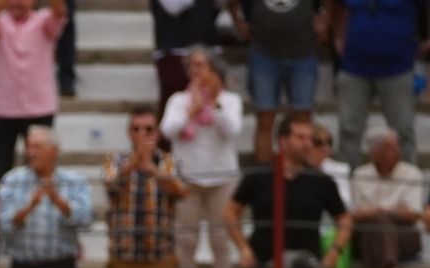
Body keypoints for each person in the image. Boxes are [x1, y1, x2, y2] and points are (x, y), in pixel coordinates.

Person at [0, 0, 68, 261]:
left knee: (42, 172)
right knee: (0, 172)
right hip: (4, 107)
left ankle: (49, 233)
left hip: (39, 106)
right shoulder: (0, 22)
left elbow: (60, 12)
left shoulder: (43, 20)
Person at [225, 115, 352, 268]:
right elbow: (230, 211)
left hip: (307, 265)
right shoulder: (258, 175)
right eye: (300, 137)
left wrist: (334, 252)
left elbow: (344, 219)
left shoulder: (321, 180)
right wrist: (243, 248)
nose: (307, 143)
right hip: (262, 264)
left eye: (309, 138)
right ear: (283, 141)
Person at [161, 48, 242, 268]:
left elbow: (232, 130)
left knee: (220, 236)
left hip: (222, 176)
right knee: (186, 238)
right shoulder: (178, 100)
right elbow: (167, 131)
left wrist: (214, 103)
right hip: (187, 177)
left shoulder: (230, 100)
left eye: (201, 65)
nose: (196, 70)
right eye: (192, 65)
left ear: (214, 70)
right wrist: (191, 111)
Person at [226, 0, 322, 162]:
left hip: (303, 51)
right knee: (265, 118)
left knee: (303, 120)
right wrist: (238, 21)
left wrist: (325, 19)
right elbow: (231, 2)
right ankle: (265, 179)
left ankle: (301, 177)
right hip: (263, 52)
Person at [327, 0, 420, 166]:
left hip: (398, 68)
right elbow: (337, 7)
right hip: (353, 67)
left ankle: (409, 185)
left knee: (403, 131)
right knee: (349, 131)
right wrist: (338, 36)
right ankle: (345, 188)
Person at [0, 125, 92, 268]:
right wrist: (29, 207)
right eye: (29, 147)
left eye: (37, 147)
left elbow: (86, 220)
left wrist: (58, 201)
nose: (31, 153)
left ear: (54, 151)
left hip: (63, 266)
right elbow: (3, 224)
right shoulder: (12, 180)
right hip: (22, 267)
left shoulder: (74, 180)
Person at [103, 106, 185, 268]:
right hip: (123, 255)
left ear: (157, 133)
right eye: (136, 129)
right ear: (129, 132)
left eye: (148, 129)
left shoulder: (169, 161)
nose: (142, 134)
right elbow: (111, 185)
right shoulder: (114, 160)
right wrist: (134, 163)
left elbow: (180, 192)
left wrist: (152, 170)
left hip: (161, 255)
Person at [350, 128, 425, 268]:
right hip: (366, 235)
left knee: (379, 220)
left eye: (397, 147)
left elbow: (413, 215)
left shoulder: (412, 173)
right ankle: (389, 267)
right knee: (377, 224)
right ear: (374, 152)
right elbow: (354, 215)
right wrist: (393, 210)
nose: (396, 151)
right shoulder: (360, 174)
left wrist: (377, 211)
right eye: (389, 148)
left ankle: (386, 266)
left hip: (404, 235)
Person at [151, 0, 223, 149]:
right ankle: (166, 161)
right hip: (174, 53)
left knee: (215, 104)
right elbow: (173, 6)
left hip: (208, 48)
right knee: (173, 110)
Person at [310, 123, 353, 211]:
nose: (325, 147)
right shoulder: (297, 169)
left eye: (329, 142)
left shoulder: (340, 169)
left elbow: (346, 202)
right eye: (318, 142)